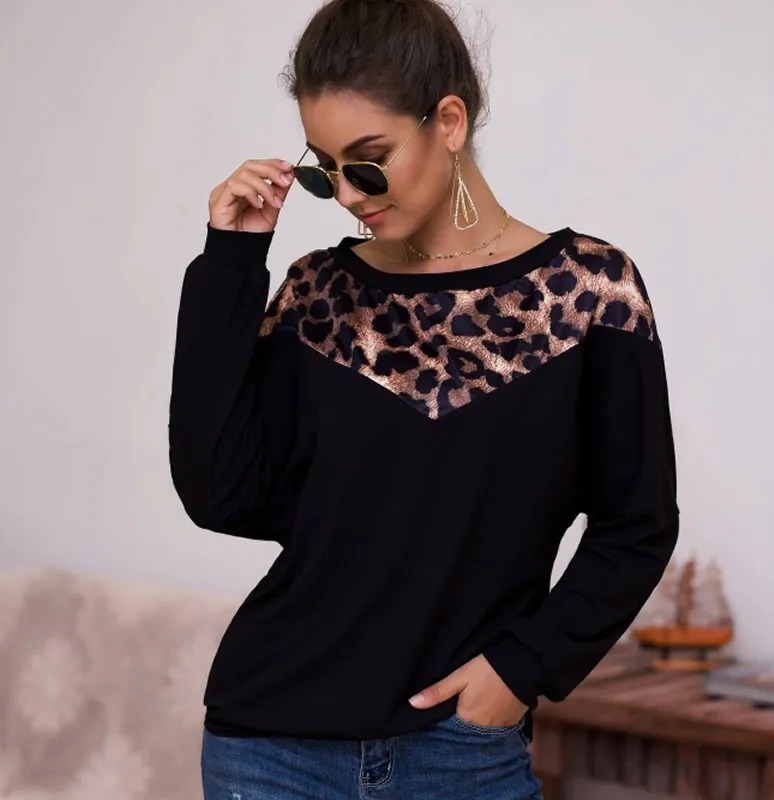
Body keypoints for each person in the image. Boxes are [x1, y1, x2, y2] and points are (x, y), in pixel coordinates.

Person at [168, 0, 679, 797]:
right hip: (271, 749)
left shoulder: (589, 294)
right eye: (324, 169)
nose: (346, 193)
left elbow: (635, 525)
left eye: (368, 161)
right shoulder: (317, 294)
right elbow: (222, 495)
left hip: (460, 753)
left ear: (447, 121)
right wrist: (231, 262)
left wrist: (520, 669)